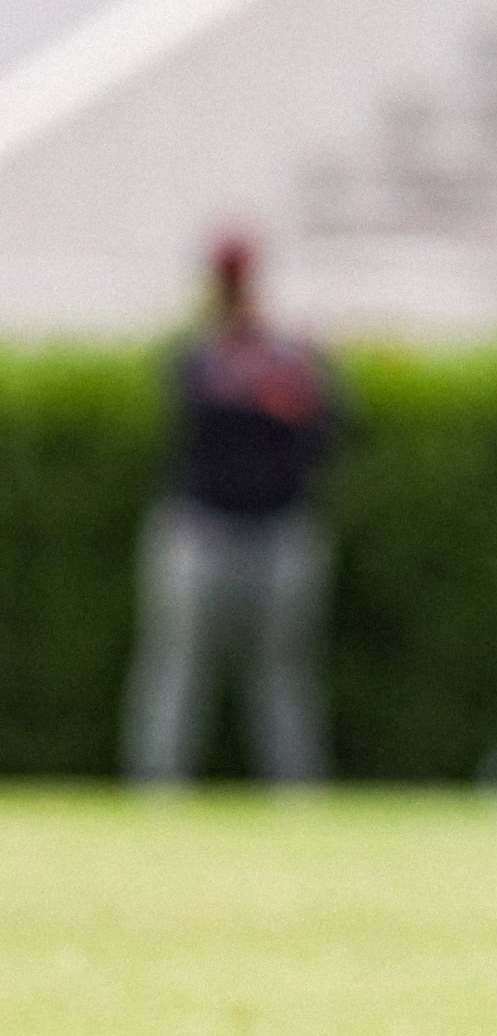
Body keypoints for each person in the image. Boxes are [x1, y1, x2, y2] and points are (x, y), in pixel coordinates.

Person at [124, 233, 343, 791]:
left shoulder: (294, 356)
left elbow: (323, 430)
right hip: (200, 526)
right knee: (176, 664)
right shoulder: (196, 354)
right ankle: (158, 788)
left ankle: (296, 790)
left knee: (282, 670)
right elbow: (199, 419)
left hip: (280, 526)